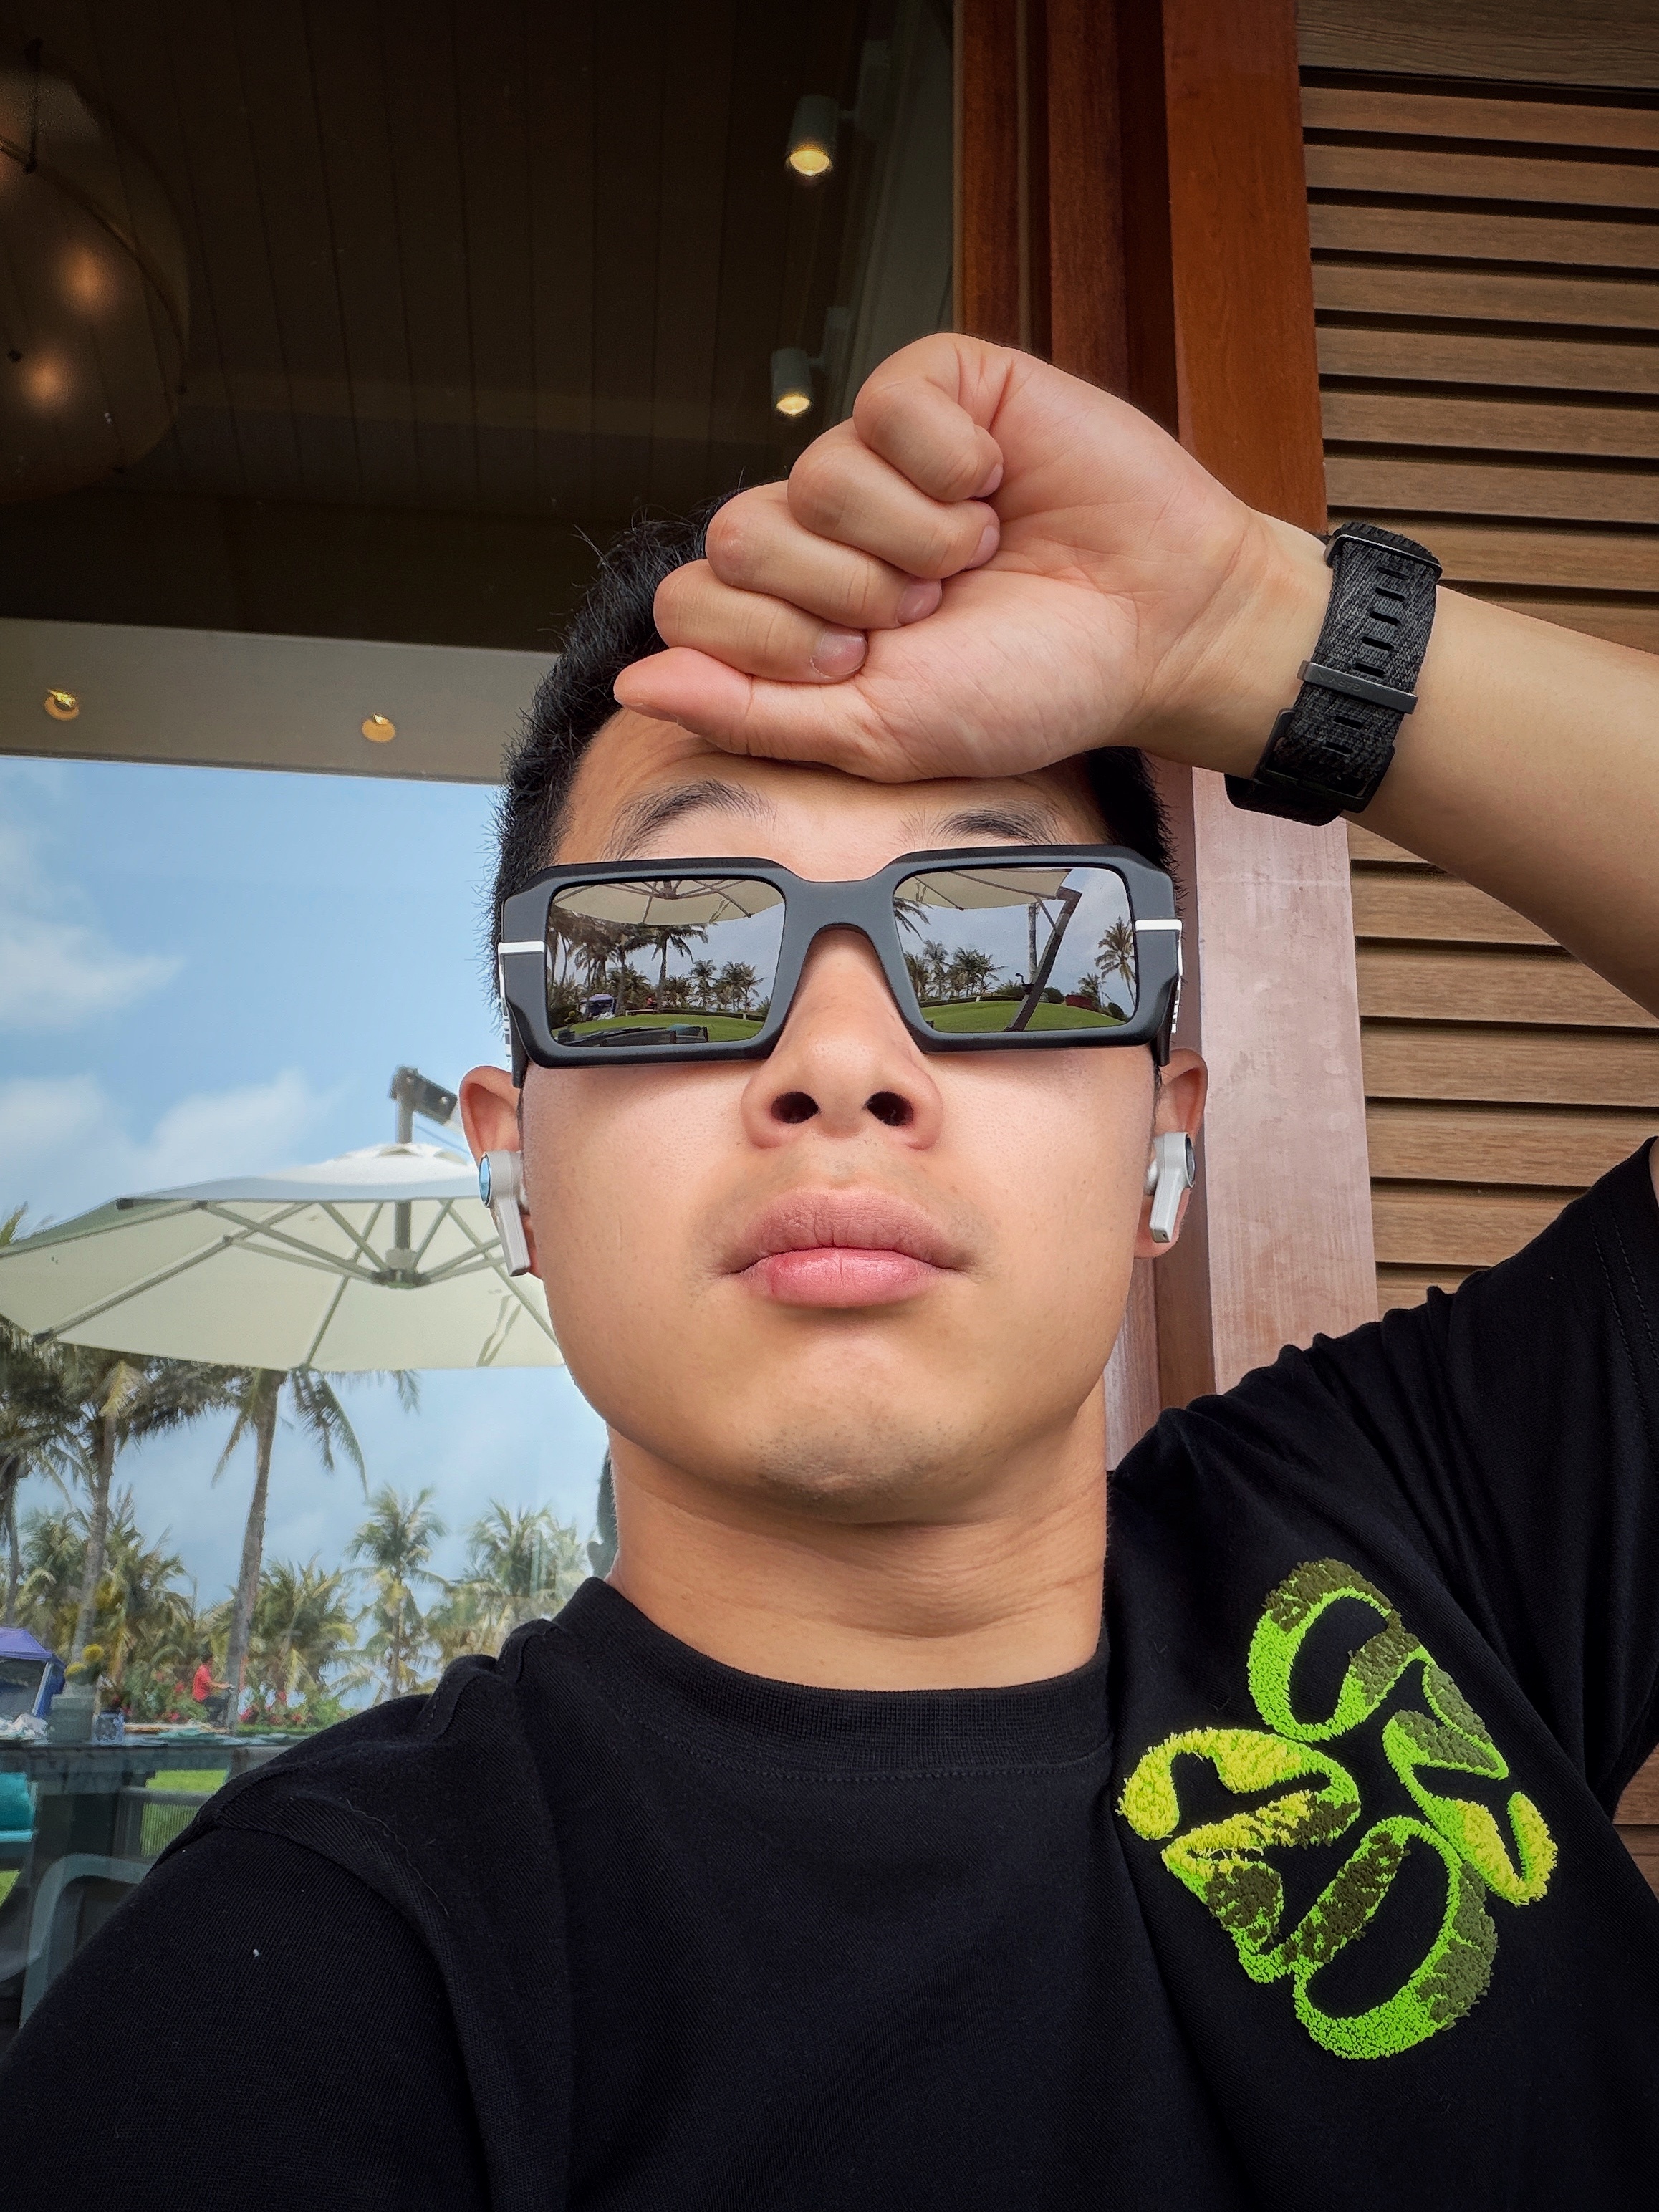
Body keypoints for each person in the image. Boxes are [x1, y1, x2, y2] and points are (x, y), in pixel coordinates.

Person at [4, 336, 1658, 2207]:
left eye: (1010, 941)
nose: (844, 1059)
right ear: (514, 1162)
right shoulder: (321, 1983)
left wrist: (1251, 623)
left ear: (1163, 1135)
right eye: (673, 948)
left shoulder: (1426, 1536)